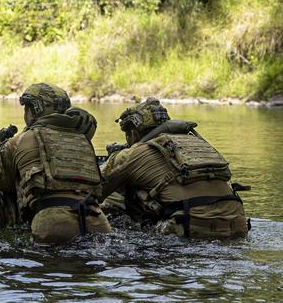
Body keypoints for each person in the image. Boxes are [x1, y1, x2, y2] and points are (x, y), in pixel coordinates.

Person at [101, 97, 249, 239]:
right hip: (238, 224)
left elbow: (93, 191)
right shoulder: (194, 145)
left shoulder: (132, 154)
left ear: (133, 134)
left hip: (189, 227)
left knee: (114, 207)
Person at [0, 83, 111, 244]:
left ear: (34, 110)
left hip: (53, 226)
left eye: (26, 108)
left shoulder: (17, 142)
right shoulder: (82, 139)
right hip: (99, 223)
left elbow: (4, 185)